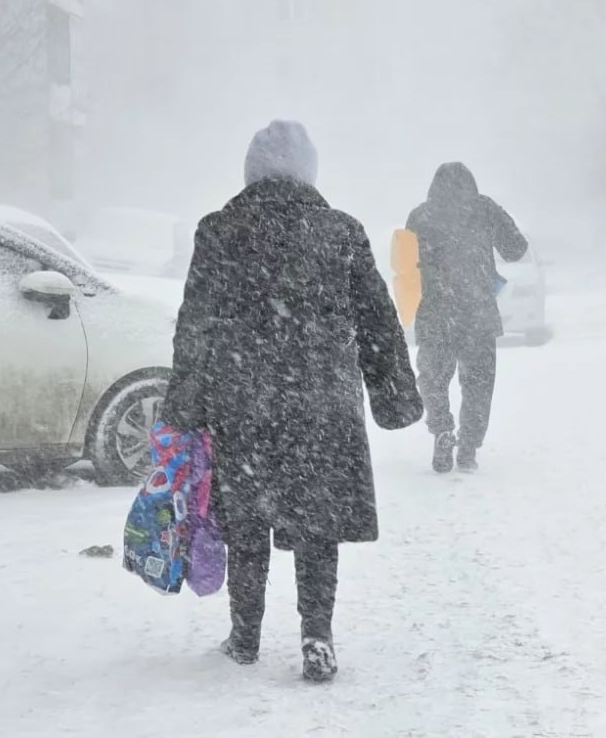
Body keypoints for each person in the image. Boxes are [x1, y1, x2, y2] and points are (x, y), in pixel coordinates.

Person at [162, 120, 423, 682]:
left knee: (247, 522)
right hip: (321, 402)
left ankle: (245, 636)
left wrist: (185, 404)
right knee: (317, 524)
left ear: (251, 171)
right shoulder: (341, 231)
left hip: (243, 399)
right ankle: (317, 637)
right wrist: (394, 396)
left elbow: (195, 325)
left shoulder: (219, 230)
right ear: (309, 172)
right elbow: (377, 321)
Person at [405, 162, 528, 473]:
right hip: (478, 314)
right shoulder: (485, 209)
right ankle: (469, 448)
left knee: (433, 380)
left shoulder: (420, 216)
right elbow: (516, 248)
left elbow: (405, 266)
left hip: (435, 313)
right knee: (478, 385)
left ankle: (442, 431)